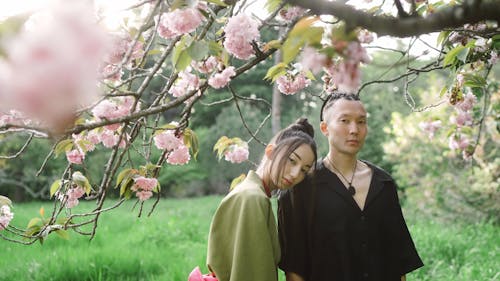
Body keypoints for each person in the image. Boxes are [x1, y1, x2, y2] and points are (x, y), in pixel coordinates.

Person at [278, 92, 423, 281]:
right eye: (344, 121)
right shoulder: (301, 188)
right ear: (325, 128)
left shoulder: (383, 184)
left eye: (361, 122)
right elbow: (294, 269)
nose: (354, 129)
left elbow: (396, 262)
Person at [206, 118, 318, 281]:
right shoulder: (253, 198)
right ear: (270, 152)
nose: (295, 174)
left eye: (304, 170)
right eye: (292, 160)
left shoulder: (252, 193)